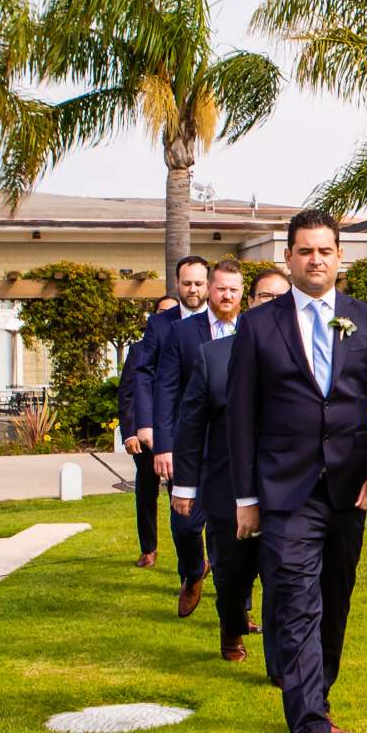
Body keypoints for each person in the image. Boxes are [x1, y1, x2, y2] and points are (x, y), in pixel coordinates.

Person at [228, 210, 367, 733]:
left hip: (352, 488)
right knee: (297, 598)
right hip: (285, 491)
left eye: (325, 250)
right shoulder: (259, 326)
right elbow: (242, 417)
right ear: (289, 259)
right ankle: (308, 729)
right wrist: (245, 497)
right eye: (304, 251)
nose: (316, 260)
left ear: (339, 257)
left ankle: (319, 703)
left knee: (335, 596)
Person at [173, 259, 272, 665]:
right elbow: (191, 422)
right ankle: (231, 628)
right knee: (232, 572)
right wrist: (184, 485)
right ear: (253, 302)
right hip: (225, 481)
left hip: (284, 483)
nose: (272, 304)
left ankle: (283, 660)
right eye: (265, 297)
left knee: (285, 577)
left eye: (280, 298)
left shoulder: (306, 354)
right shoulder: (215, 355)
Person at [132, 255, 218, 609]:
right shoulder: (161, 324)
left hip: (223, 432)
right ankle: (193, 572)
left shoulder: (227, 319)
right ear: (178, 284)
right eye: (187, 283)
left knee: (229, 519)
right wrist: (148, 426)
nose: (193, 289)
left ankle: (238, 607)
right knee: (183, 519)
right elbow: (144, 374)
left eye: (199, 283)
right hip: (180, 434)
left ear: (208, 284)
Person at [118, 303, 166, 569]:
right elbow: (127, 395)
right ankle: (148, 548)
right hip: (144, 435)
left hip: (178, 433)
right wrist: (130, 433)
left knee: (183, 496)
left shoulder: (189, 345)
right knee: (147, 492)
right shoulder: (138, 351)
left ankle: (192, 555)